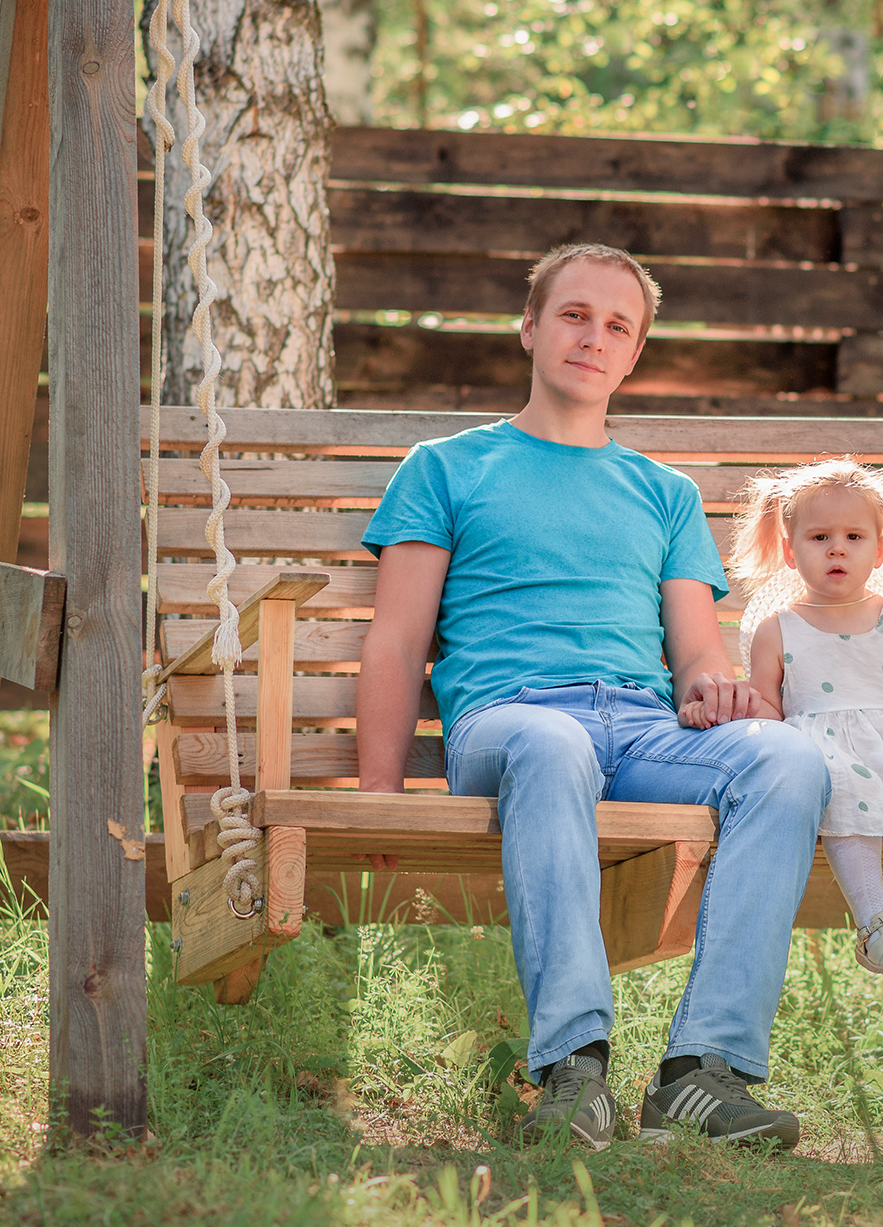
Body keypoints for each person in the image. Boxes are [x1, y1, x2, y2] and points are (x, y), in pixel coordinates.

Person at [355, 242, 828, 1153]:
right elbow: (398, 640)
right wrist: (380, 797)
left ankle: (702, 1073)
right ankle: (575, 1071)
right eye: (574, 315)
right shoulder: (447, 468)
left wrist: (709, 684)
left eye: (618, 326)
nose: (593, 337)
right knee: (553, 743)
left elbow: (696, 650)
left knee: (786, 760)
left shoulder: (664, 493)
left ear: (635, 353)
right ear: (531, 328)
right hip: (513, 722)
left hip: (643, 730)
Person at [711, 460, 883, 978]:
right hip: (826, 759)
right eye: (819, 537)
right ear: (790, 551)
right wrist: (745, 712)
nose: (837, 549)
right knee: (842, 797)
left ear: (879, 550)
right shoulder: (778, 629)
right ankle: (877, 925)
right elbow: (769, 709)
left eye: (854, 537)